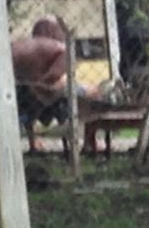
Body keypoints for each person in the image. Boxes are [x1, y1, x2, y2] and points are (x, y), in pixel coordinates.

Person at [11, 15, 102, 152]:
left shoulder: (20, 46)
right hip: (45, 91)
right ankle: (90, 142)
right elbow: (53, 78)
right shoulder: (59, 48)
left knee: (33, 101)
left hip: (21, 92)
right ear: (52, 31)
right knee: (95, 92)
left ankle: (33, 141)